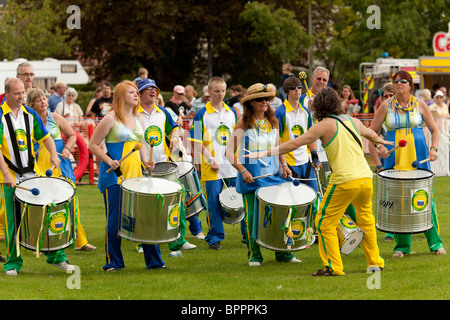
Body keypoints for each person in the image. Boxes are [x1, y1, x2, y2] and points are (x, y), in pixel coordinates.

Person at [245, 87, 390, 276]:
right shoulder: (353, 121)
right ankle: (376, 262)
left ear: (319, 106)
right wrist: (381, 144)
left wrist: (264, 153)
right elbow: (370, 134)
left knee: (323, 222)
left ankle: (333, 267)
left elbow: (294, 143)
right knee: (366, 221)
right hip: (365, 178)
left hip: (344, 180)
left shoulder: (324, 125)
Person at [88, 80, 164, 271]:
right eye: (132, 92)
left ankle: (155, 262)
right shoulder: (110, 118)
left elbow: (140, 146)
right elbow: (93, 145)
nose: (136, 95)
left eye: (136, 92)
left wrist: (146, 161)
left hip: (136, 177)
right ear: (121, 96)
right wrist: (108, 160)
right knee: (114, 222)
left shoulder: (139, 119)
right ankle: (114, 262)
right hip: (115, 177)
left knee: (146, 219)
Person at [370, 70, 446, 257]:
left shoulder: (420, 104)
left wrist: (433, 149)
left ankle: (435, 243)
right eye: (396, 81)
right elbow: (371, 132)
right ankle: (402, 247)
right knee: (399, 200)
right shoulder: (386, 106)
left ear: (411, 85)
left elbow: (435, 131)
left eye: (403, 81)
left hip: (418, 157)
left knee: (425, 199)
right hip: (395, 159)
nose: (398, 83)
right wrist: (380, 147)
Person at [225, 83, 302, 266]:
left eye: (267, 98)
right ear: (251, 102)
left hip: (274, 177)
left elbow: (278, 147)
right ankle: (255, 256)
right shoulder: (243, 122)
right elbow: (228, 152)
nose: (265, 102)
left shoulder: (273, 120)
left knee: (281, 216)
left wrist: (284, 165)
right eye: (260, 99)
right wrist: (242, 171)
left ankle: (283, 253)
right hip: (251, 177)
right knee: (253, 218)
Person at [0, 78, 71, 276]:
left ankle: (57, 257)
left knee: (48, 211)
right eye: (17, 93)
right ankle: (12, 263)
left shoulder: (30, 114)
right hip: (11, 177)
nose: (22, 96)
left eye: (23, 92)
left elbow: (45, 137)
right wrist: (6, 174)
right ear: (7, 94)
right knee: (13, 221)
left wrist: (55, 155)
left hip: (32, 173)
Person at [137, 78, 202, 250]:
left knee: (175, 202)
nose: (152, 91)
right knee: (145, 206)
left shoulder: (163, 112)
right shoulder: (133, 113)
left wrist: (174, 137)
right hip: (141, 165)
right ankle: (143, 241)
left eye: (154, 89)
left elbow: (174, 128)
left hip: (164, 164)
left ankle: (177, 240)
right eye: (148, 89)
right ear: (140, 93)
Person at [28, 88, 96, 252]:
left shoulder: (56, 118)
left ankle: (80, 241)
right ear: (32, 104)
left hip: (61, 166)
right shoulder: (28, 121)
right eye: (39, 100)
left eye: (44, 98)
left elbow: (72, 136)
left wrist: (67, 149)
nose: (43, 102)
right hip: (39, 168)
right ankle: (37, 241)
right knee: (39, 206)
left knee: (72, 203)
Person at [189, 77, 237, 250]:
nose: (220, 94)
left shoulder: (232, 112)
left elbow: (237, 138)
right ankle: (215, 237)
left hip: (232, 166)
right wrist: (211, 159)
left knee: (240, 199)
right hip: (212, 167)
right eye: (217, 91)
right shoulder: (200, 114)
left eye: (223, 90)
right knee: (214, 203)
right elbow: (195, 141)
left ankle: (247, 236)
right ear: (209, 92)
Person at [275, 76, 321, 193]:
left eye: (299, 87)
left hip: (306, 162)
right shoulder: (280, 112)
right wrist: (282, 165)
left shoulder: (305, 112)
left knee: (315, 198)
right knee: (293, 203)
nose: (297, 90)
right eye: (292, 88)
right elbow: (277, 141)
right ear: (286, 92)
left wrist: (314, 157)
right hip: (289, 165)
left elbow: (310, 136)